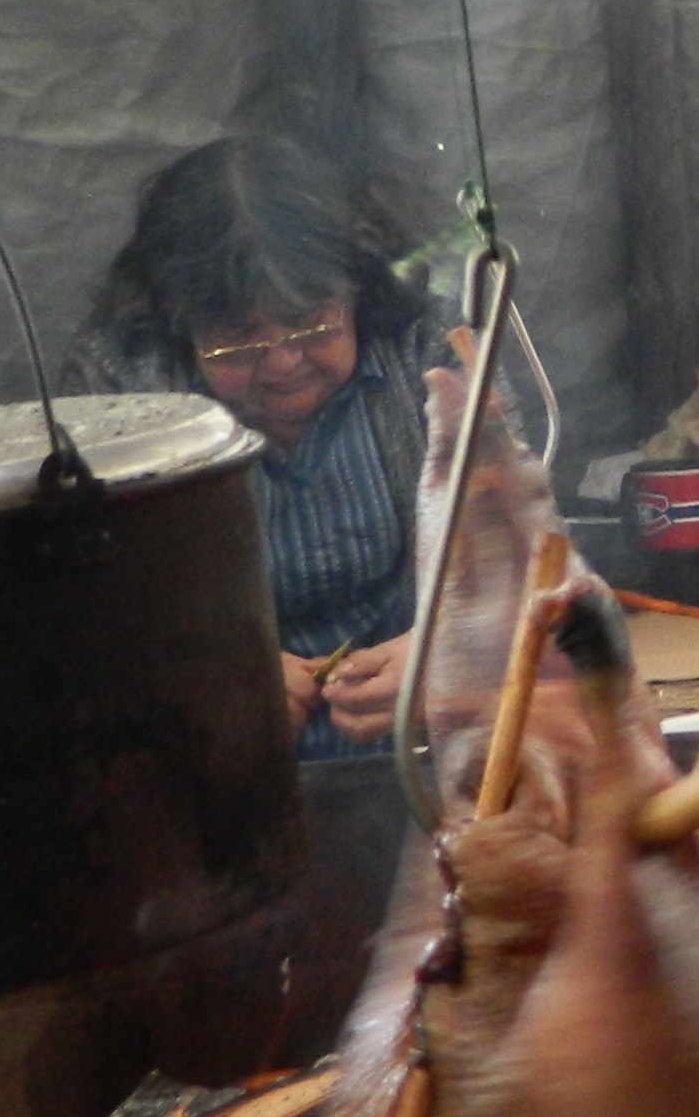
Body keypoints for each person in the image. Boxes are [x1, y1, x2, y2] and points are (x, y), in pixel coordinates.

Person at [85, 136, 440, 761]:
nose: (281, 363)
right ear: (178, 323)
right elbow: (90, 605)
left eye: (310, 324)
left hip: (420, 746)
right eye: (235, 341)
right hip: (213, 767)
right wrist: (210, 668)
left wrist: (445, 649)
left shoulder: (428, 354)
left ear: (357, 289)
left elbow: (516, 551)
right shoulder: (120, 393)